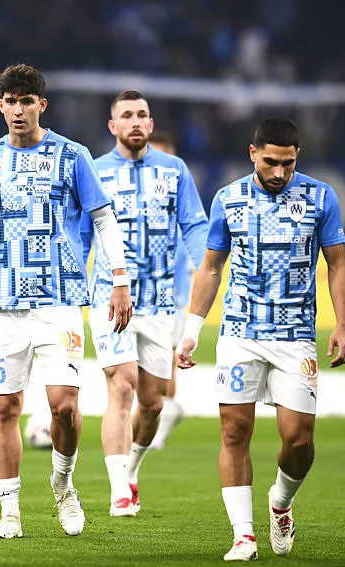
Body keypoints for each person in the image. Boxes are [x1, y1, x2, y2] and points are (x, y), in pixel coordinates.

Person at [0, 63, 132, 539]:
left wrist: (120, 280)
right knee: (4, 408)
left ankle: (63, 483)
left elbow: (103, 218)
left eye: (27, 102)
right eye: (11, 102)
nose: (18, 110)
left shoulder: (72, 155)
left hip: (60, 299)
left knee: (64, 407)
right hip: (2, 303)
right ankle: (9, 514)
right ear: (1, 105)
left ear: (41, 105)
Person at [177, 117, 345, 561]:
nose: (279, 173)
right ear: (253, 153)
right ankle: (243, 536)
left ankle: (281, 501)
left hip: (295, 335)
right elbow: (211, 267)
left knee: (299, 439)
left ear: (297, 157)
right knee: (234, 430)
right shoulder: (228, 198)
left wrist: (344, 325)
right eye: (271, 162)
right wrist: (191, 331)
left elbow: (338, 264)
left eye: (288, 164)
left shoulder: (320, 197)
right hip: (240, 332)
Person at [80, 93, 207, 517]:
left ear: (151, 124)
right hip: (109, 298)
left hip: (159, 302)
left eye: (142, 115)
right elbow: (82, 234)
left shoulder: (174, 170)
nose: (135, 122)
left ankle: (132, 468)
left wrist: (208, 268)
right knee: (121, 386)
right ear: (112, 126)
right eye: (126, 116)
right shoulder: (95, 171)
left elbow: (194, 226)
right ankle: (118, 487)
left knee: (153, 403)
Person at [147, 130, 190, 452]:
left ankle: (162, 420)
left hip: (171, 293)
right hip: (141, 290)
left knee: (164, 357)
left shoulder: (179, 198)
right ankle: (163, 413)